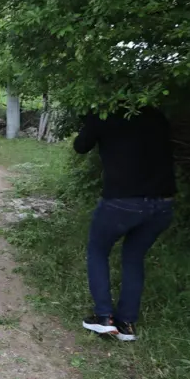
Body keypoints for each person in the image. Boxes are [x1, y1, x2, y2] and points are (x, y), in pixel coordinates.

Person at [74, 105, 177, 341]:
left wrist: (92, 121)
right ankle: (126, 323)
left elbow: (80, 146)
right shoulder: (155, 112)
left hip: (122, 201)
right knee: (134, 256)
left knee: (98, 250)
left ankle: (104, 318)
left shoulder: (104, 113)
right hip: (163, 203)